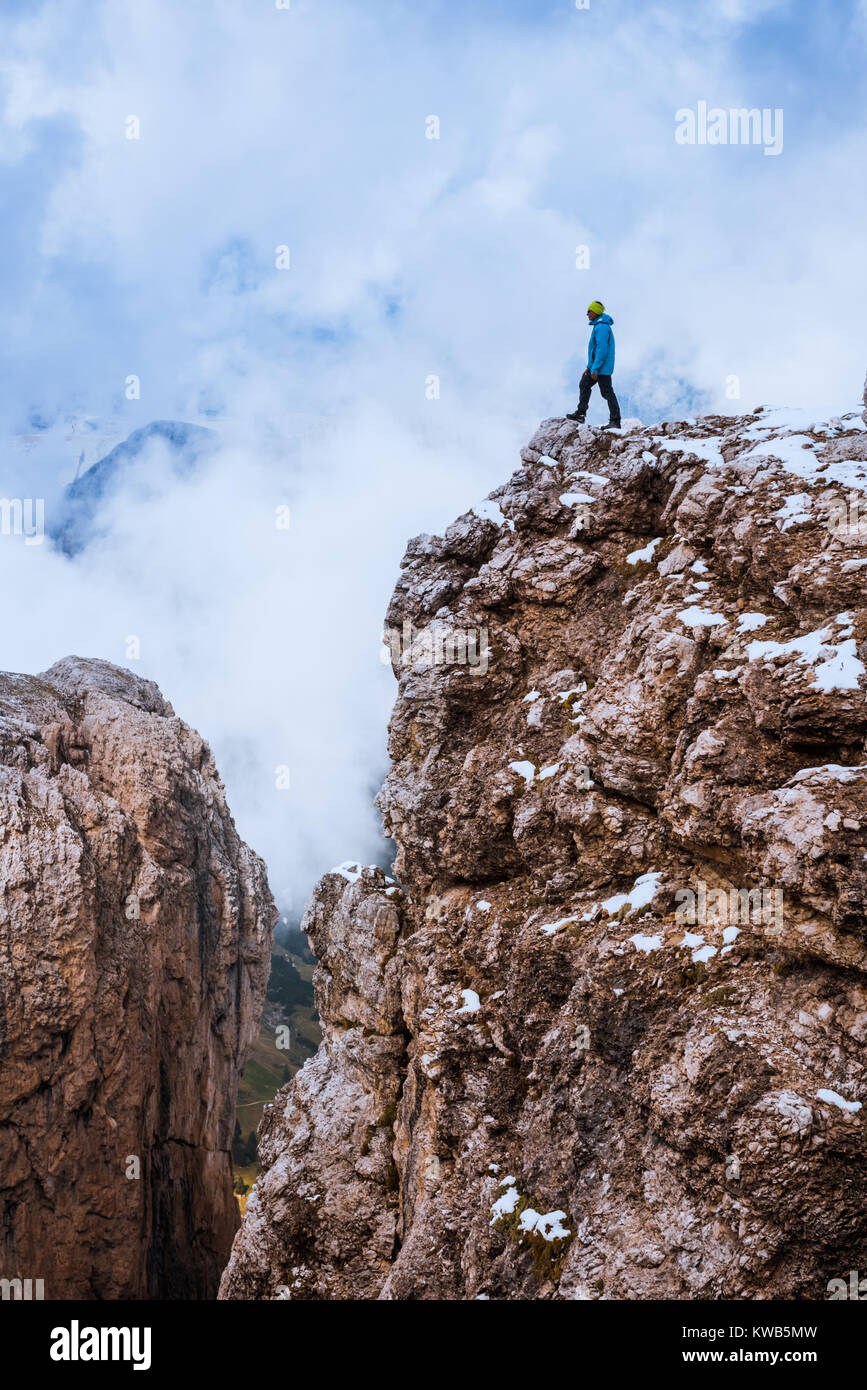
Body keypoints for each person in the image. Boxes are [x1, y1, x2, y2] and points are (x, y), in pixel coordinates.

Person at [567, 300, 621, 429]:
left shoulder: (602, 327)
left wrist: (595, 369)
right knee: (586, 384)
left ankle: (615, 421)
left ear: (596, 312)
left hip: (602, 368)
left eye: (589, 311)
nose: (587, 314)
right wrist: (589, 366)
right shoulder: (598, 325)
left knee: (606, 392)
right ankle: (581, 413)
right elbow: (594, 350)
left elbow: (601, 350)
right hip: (597, 366)